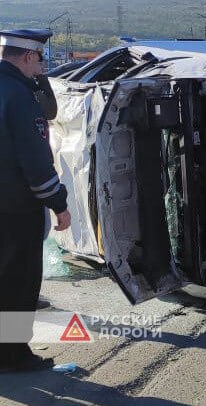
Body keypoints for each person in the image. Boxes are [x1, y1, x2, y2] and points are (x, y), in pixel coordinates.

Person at [0, 29, 71, 372]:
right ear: (29, 56)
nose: (42, 66)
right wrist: (59, 202)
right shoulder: (18, 96)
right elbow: (35, 160)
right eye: (41, 59)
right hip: (14, 209)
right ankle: (12, 356)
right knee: (18, 283)